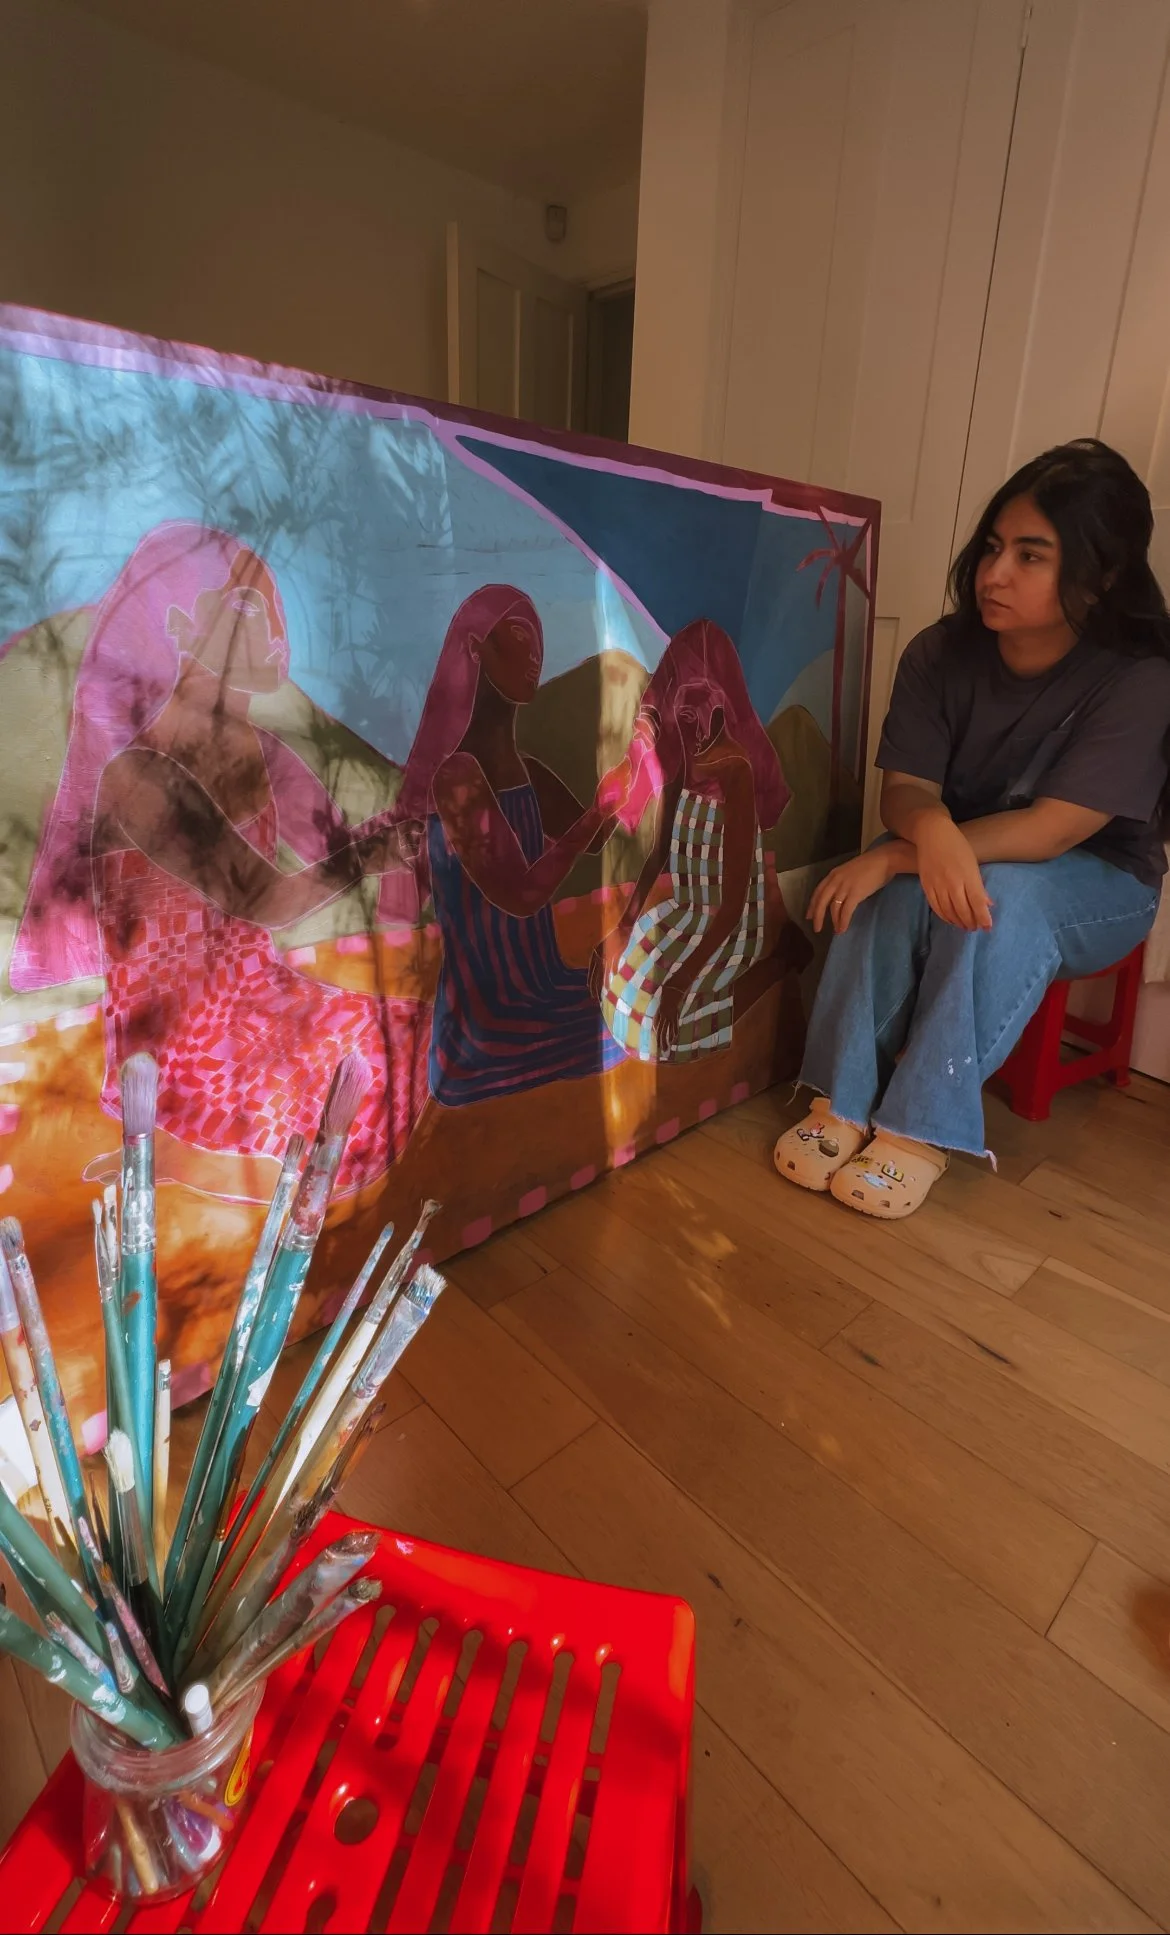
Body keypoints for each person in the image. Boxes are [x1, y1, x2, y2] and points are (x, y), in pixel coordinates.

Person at [774, 439, 1170, 1218]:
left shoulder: (1139, 679)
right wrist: (916, 841)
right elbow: (909, 790)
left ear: (1104, 570)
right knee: (883, 888)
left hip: (1102, 884)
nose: (994, 574)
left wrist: (906, 850)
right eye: (994, 547)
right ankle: (841, 1103)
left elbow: (1056, 831)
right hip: (973, 854)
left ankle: (921, 1129)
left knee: (990, 892)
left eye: (1031, 556)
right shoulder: (941, 651)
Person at [10, 521, 423, 1202]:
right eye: (245, 609)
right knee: (370, 1075)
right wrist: (375, 854)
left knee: (409, 1031)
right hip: (182, 1049)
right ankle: (186, 1155)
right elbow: (263, 897)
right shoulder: (138, 773)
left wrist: (399, 832)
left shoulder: (259, 749)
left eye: (271, 610)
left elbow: (329, 844)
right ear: (178, 625)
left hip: (256, 998)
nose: (276, 631)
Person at [389, 583, 631, 1106]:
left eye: (539, 636)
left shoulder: (526, 770)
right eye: (520, 635)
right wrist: (597, 812)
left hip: (543, 983)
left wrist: (636, 779)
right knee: (624, 1027)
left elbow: (596, 838)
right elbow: (520, 896)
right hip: (490, 1015)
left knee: (632, 1010)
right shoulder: (458, 775)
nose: (537, 653)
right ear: (477, 649)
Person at [594, 617, 809, 1060]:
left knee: (673, 1020)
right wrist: (623, 926)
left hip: (727, 925)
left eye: (697, 719)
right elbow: (657, 856)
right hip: (684, 912)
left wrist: (680, 981)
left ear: (719, 712)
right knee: (619, 996)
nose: (689, 732)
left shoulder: (737, 773)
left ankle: (779, 962)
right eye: (682, 719)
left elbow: (730, 907)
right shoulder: (680, 768)